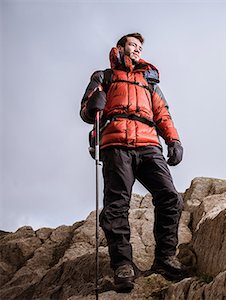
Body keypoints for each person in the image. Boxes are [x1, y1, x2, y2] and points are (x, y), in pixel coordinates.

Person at [80, 33, 186, 292]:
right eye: (132, 45)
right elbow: (86, 110)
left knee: (170, 197)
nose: (137, 49)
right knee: (117, 205)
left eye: (140, 47)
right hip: (115, 144)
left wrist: (173, 140)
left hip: (149, 144)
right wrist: (93, 104)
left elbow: (162, 113)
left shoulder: (149, 82)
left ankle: (164, 258)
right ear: (121, 48)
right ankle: (122, 265)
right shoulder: (104, 76)